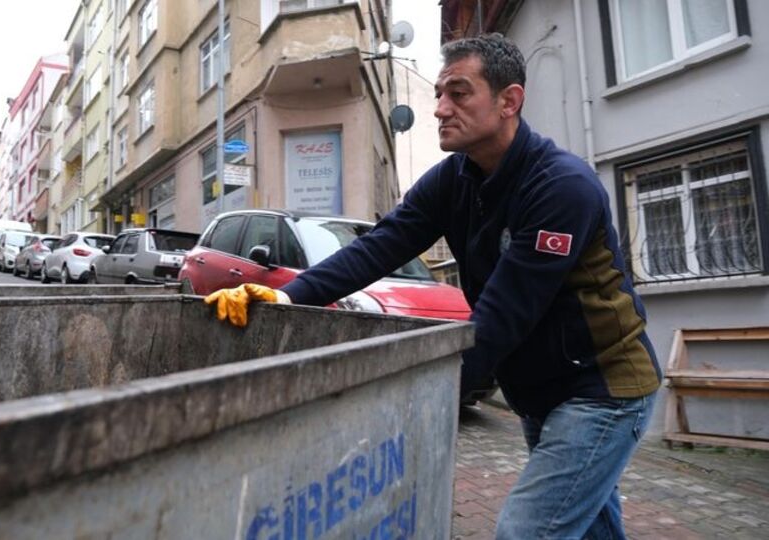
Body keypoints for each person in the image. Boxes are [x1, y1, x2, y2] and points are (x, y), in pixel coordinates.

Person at [204, 34, 661, 539]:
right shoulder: (454, 179)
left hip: (602, 387)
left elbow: (500, 319)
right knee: (587, 526)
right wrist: (287, 294)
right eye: (439, 93)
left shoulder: (560, 188)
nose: (440, 108)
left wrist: (411, 409)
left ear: (509, 101)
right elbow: (379, 246)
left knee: (528, 530)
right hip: (541, 389)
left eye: (459, 93)